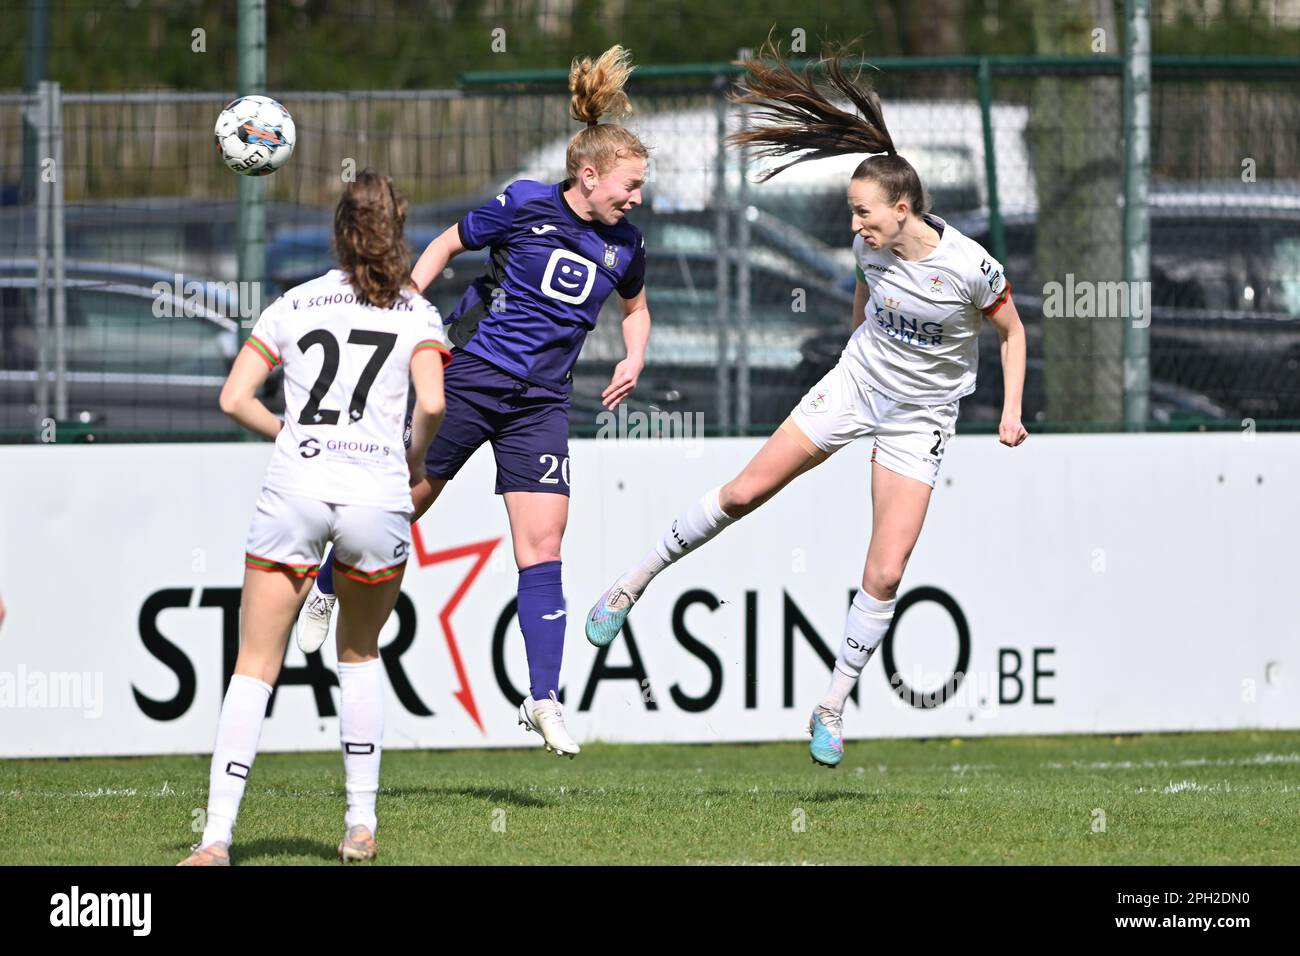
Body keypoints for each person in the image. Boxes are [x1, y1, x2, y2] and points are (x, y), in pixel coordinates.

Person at [583, 41, 1028, 767]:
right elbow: (866, 293)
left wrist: (1009, 411)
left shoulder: (971, 268)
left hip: (921, 421)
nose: (855, 226)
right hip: (855, 386)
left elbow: (1011, 333)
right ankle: (629, 587)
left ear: (903, 208)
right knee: (744, 491)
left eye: (863, 213)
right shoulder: (871, 247)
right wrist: (854, 350)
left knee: (885, 571)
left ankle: (831, 704)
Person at [294, 45, 652, 759]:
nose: (638, 198)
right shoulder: (524, 202)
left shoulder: (626, 245)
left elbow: (636, 307)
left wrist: (634, 353)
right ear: (589, 176)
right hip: (473, 374)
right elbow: (447, 245)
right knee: (403, 502)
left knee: (543, 545)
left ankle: (543, 699)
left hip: (543, 403)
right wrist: (411, 310)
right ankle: (328, 583)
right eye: (631, 185)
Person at [179, 170, 450, 864]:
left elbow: (233, 397)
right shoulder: (416, 313)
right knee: (358, 657)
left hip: (296, 489)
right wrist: (414, 463)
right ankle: (360, 826)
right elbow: (434, 404)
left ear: (338, 230)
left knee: (253, 667)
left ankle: (215, 839)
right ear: (399, 232)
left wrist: (288, 434)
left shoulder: (293, 303)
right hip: (375, 498)